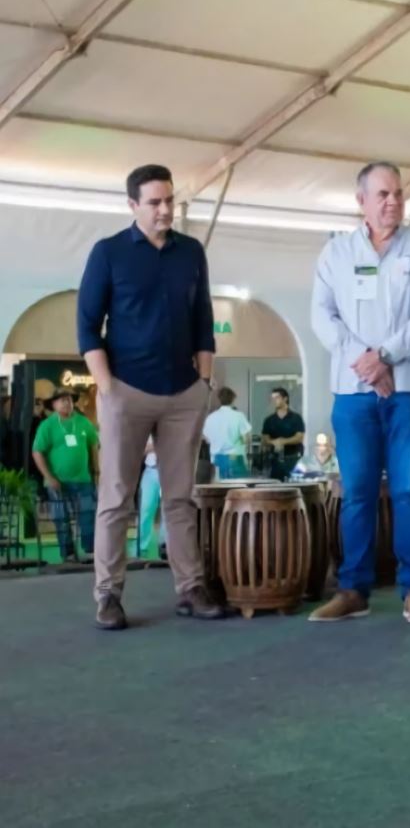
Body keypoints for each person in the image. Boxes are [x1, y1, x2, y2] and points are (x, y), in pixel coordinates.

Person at [77, 163, 223, 629]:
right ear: (133, 206)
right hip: (127, 391)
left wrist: (203, 385)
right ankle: (108, 596)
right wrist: (107, 389)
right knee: (117, 498)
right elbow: (86, 326)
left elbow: (203, 319)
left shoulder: (191, 253)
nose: (165, 210)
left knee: (180, 498)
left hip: (184, 394)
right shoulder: (109, 253)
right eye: (155, 202)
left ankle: (190, 587)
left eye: (170, 201)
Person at [309, 160, 410, 624]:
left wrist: (385, 355)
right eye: (383, 194)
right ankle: (353, 590)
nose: (393, 202)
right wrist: (367, 363)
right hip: (352, 392)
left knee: (409, 490)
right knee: (357, 494)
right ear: (361, 202)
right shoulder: (335, 254)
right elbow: (322, 317)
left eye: (399, 194)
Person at [31, 389, 99, 563]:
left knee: (88, 515)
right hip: (57, 481)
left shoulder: (84, 422)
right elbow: (37, 452)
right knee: (61, 519)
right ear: (53, 405)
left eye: (68, 399)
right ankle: (68, 554)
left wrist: (97, 471)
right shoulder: (47, 425)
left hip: (84, 479)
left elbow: (93, 447)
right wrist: (49, 476)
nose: (66, 403)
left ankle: (90, 551)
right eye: (61, 400)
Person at [202, 386, 251, 479]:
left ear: (219, 399)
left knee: (219, 491)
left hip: (216, 459)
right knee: (238, 490)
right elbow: (247, 438)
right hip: (235, 457)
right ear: (233, 399)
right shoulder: (238, 416)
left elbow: (206, 438)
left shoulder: (211, 417)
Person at [261, 388, 304, 481]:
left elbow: (299, 437)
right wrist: (274, 442)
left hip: (293, 458)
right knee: (275, 487)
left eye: (277, 397)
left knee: (294, 484)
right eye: (272, 398)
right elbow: (265, 439)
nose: (274, 400)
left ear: (285, 399)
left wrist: (283, 441)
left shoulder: (296, 418)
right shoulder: (269, 420)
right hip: (275, 460)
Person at [137, 435, 165, 558]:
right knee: (145, 507)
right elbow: (139, 449)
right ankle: (141, 545)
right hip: (151, 470)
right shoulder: (147, 429)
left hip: (170, 470)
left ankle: (164, 544)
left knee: (168, 510)